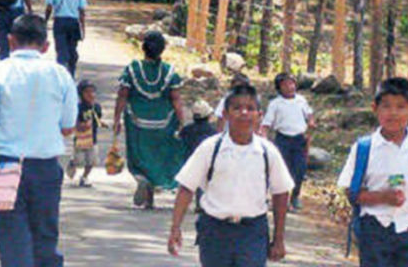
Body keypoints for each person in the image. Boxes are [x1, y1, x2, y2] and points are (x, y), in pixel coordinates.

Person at [0, 14, 78, 267]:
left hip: (5, 165)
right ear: (46, 46)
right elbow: (68, 127)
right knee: (46, 236)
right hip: (47, 167)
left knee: (10, 239)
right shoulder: (61, 75)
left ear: (10, 41)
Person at [168, 84, 294, 266]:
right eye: (237, 108)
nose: (244, 113)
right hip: (215, 232)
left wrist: (279, 239)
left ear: (259, 116)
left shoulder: (268, 152)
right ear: (226, 115)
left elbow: (281, 193)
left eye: (250, 108)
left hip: (253, 233)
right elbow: (187, 187)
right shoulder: (211, 148)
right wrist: (175, 228)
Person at [338, 77, 408, 266]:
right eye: (386, 106)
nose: (393, 113)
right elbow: (351, 192)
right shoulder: (365, 147)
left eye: (400, 107)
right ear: (375, 109)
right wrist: (383, 197)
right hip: (374, 231)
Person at [113, 31, 187, 209]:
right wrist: (182, 121)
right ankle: (150, 193)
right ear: (162, 50)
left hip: (137, 121)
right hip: (164, 122)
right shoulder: (169, 72)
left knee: (141, 155)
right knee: (157, 156)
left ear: (143, 48)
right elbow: (176, 98)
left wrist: (117, 119)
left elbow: (123, 95)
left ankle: (143, 181)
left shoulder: (132, 69)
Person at [259, 72, 315, 212]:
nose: (290, 87)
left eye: (292, 83)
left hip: (299, 139)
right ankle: (278, 199)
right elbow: (266, 124)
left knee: (300, 169)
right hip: (283, 139)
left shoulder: (301, 100)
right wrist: (263, 139)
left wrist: (311, 124)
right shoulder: (275, 104)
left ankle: (295, 197)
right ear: (279, 88)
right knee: (281, 170)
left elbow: (309, 114)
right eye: (285, 84)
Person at [45, 0, 86, 76]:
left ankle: (61, 74)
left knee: (61, 49)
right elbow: (82, 12)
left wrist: (45, 21)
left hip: (59, 22)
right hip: (73, 22)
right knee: (72, 49)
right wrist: (83, 28)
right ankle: (71, 73)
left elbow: (49, 7)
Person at [66, 80, 106, 187]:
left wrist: (101, 124)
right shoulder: (78, 108)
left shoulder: (96, 107)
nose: (91, 95)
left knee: (91, 161)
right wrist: (81, 125)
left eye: (93, 92)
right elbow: (74, 122)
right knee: (80, 160)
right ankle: (73, 162)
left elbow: (97, 119)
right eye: (87, 92)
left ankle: (84, 177)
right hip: (80, 139)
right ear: (81, 94)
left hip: (92, 139)